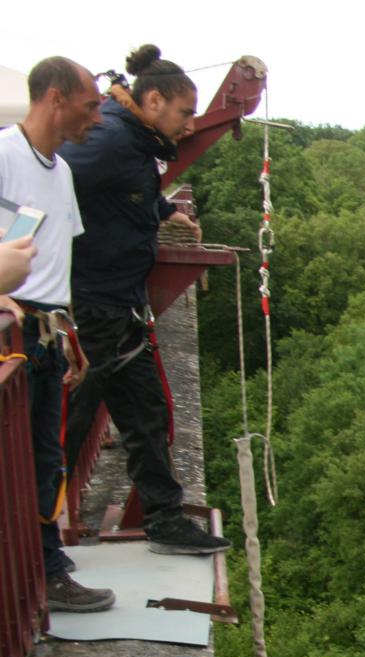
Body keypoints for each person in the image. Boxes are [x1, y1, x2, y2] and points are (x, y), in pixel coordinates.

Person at [60, 45, 225, 557]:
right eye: (184, 112)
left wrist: (162, 211)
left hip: (117, 303)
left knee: (146, 413)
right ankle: (37, 534)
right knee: (70, 425)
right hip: (95, 305)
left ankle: (164, 519)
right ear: (153, 100)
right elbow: (52, 182)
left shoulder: (130, 140)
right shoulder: (110, 139)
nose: (189, 125)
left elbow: (121, 195)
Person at [0, 56, 114, 612]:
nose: (98, 118)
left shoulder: (61, 171)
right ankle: (38, 574)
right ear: (54, 98)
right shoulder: (4, 155)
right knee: (19, 462)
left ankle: (46, 570)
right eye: (90, 106)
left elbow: (55, 260)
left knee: (46, 459)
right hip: (13, 337)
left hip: (46, 335)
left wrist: (70, 333)